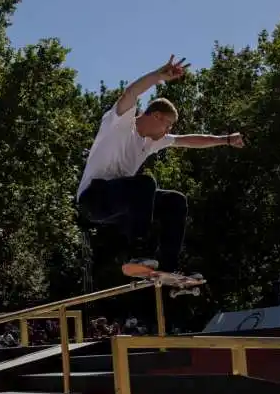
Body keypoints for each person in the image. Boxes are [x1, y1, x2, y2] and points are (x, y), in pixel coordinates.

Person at [77, 55, 244, 276]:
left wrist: (226, 140)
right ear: (155, 116)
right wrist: (158, 76)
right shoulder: (119, 123)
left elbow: (189, 140)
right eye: (167, 124)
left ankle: (168, 266)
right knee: (144, 183)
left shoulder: (152, 141)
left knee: (175, 201)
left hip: (119, 207)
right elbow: (131, 93)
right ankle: (138, 253)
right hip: (93, 199)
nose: (168, 132)